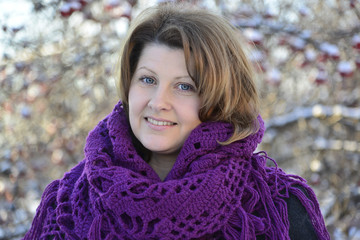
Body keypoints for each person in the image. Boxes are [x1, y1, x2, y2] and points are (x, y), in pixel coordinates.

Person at [24, 3, 330, 240]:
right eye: (147, 79)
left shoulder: (279, 208)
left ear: (221, 98)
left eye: (185, 86)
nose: (158, 102)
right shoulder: (65, 206)